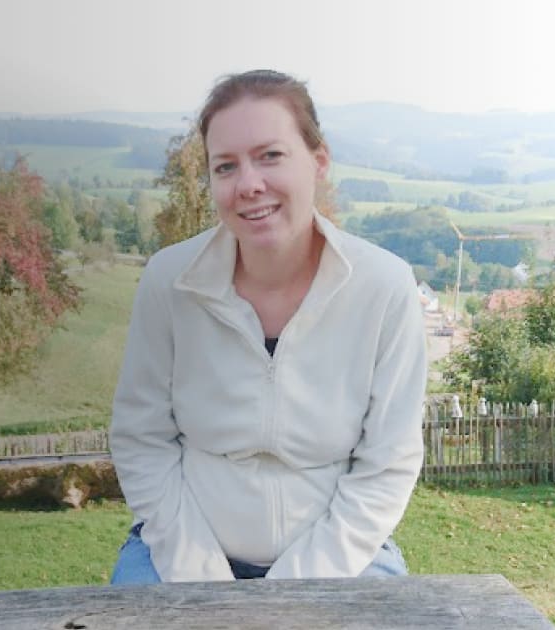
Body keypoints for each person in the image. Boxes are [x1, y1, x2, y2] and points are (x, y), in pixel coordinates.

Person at [109, 69, 427, 583]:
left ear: (318, 161)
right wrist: (200, 576)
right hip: (178, 552)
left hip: (346, 557)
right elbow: (140, 438)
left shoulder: (385, 287)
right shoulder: (169, 282)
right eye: (225, 166)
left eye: (270, 155)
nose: (248, 184)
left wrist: (287, 594)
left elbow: (388, 463)